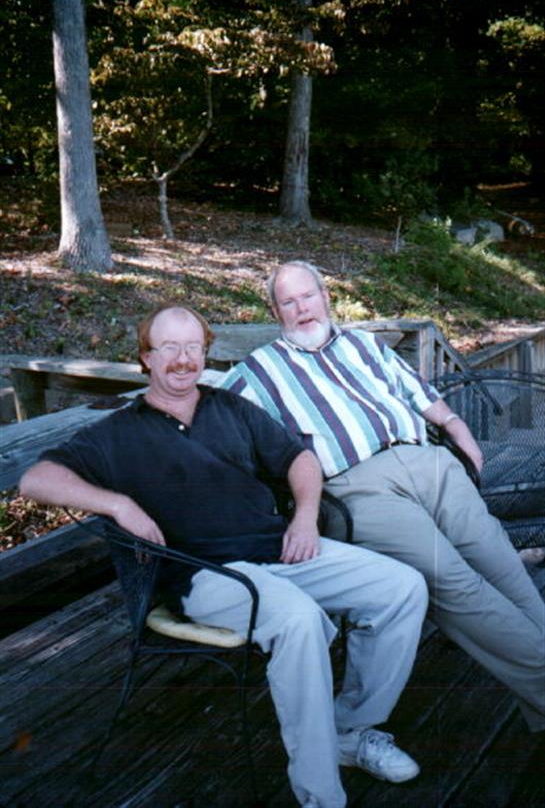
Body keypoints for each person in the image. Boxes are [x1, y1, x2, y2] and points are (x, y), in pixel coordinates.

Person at [19, 303, 428, 808]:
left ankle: (350, 730)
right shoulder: (118, 433)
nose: (183, 359)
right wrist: (118, 504)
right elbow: (35, 479)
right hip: (205, 574)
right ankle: (321, 796)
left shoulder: (230, 407)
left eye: (193, 347)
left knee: (402, 588)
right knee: (298, 620)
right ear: (146, 357)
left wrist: (304, 517)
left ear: (205, 352)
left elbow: (299, 458)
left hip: (279, 549)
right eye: (169, 347)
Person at [220, 260, 545, 734]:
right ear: (275, 312)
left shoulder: (365, 345)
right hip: (357, 487)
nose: (302, 309)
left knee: (500, 562)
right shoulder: (256, 374)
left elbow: (421, 394)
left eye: (308, 296)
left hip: (431, 464)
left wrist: (458, 429)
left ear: (326, 297)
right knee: (451, 581)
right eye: (288, 302)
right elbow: (203, 424)